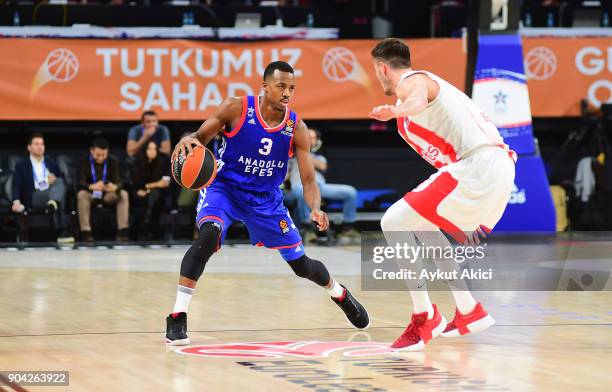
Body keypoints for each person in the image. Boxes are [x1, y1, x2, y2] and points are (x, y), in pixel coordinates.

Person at [165, 61, 369, 346]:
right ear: (265, 86)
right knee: (209, 236)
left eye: (292, 88)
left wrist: (315, 208)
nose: (287, 93)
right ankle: (178, 316)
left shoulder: (296, 127)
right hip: (225, 189)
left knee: (301, 265)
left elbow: (309, 180)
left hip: (265, 199)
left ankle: (339, 293)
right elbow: (200, 137)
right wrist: (188, 141)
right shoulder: (235, 108)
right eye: (281, 86)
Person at [369, 38, 516, 351]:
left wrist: (395, 110)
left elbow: (417, 102)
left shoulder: (412, 81)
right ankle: (468, 310)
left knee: (393, 222)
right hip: (494, 166)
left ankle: (424, 315)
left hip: (480, 164)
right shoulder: (425, 85)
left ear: (383, 67)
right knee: (421, 225)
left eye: (375, 71)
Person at [288, 128, 359, 244]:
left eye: (312, 138)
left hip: (320, 187)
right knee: (301, 192)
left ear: (317, 142)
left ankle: (348, 228)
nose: (309, 140)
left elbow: (323, 167)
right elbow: (284, 176)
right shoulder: (291, 158)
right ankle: (307, 228)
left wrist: (304, 152)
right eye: (306, 137)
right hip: (300, 186)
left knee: (350, 192)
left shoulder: (319, 157)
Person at [10, 133, 74, 243]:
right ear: (29, 147)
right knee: (59, 195)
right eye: (36, 144)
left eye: (42, 144)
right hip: (34, 195)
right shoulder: (22, 165)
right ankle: (62, 230)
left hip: (51, 193)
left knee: (59, 182)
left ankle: (53, 203)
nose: (40, 147)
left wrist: (54, 180)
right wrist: (16, 201)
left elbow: (62, 180)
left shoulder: (50, 162)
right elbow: (16, 184)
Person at [77, 137, 130, 243]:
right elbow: (79, 183)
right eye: (97, 155)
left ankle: (122, 231)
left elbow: (121, 181)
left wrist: (115, 187)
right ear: (92, 151)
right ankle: (86, 232)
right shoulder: (84, 162)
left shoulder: (113, 161)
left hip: (108, 195)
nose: (100, 158)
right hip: (91, 194)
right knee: (81, 195)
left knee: (123, 194)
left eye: (103, 155)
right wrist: (92, 186)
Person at [131, 141, 171, 240]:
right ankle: (142, 228)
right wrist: (154, 184)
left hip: (157, 194)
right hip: (139, 191)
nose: (152, 151)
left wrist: (149, 186)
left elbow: (165, 183)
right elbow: (136, 183)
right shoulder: (138, 163)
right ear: (145, 150)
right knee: (144, 197)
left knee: (155, 195)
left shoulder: (162, 162)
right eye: (149, 149)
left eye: (154, 149)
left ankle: (147, 223)